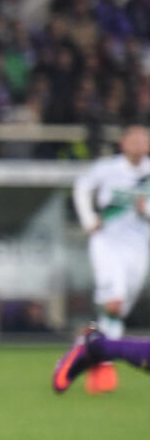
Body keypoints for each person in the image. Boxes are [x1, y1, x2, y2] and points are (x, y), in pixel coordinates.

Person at [70, 124, 150, 395]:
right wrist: (89, 219)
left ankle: (87, 348)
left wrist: (146, 211)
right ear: (123, 143)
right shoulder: (107, 168)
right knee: (113, 304)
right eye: (134, 138)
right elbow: (81, 188)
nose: (139, 143)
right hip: (107, 244)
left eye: (144, 139)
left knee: (117, 312)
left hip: (138, 249)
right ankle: (103, 368)